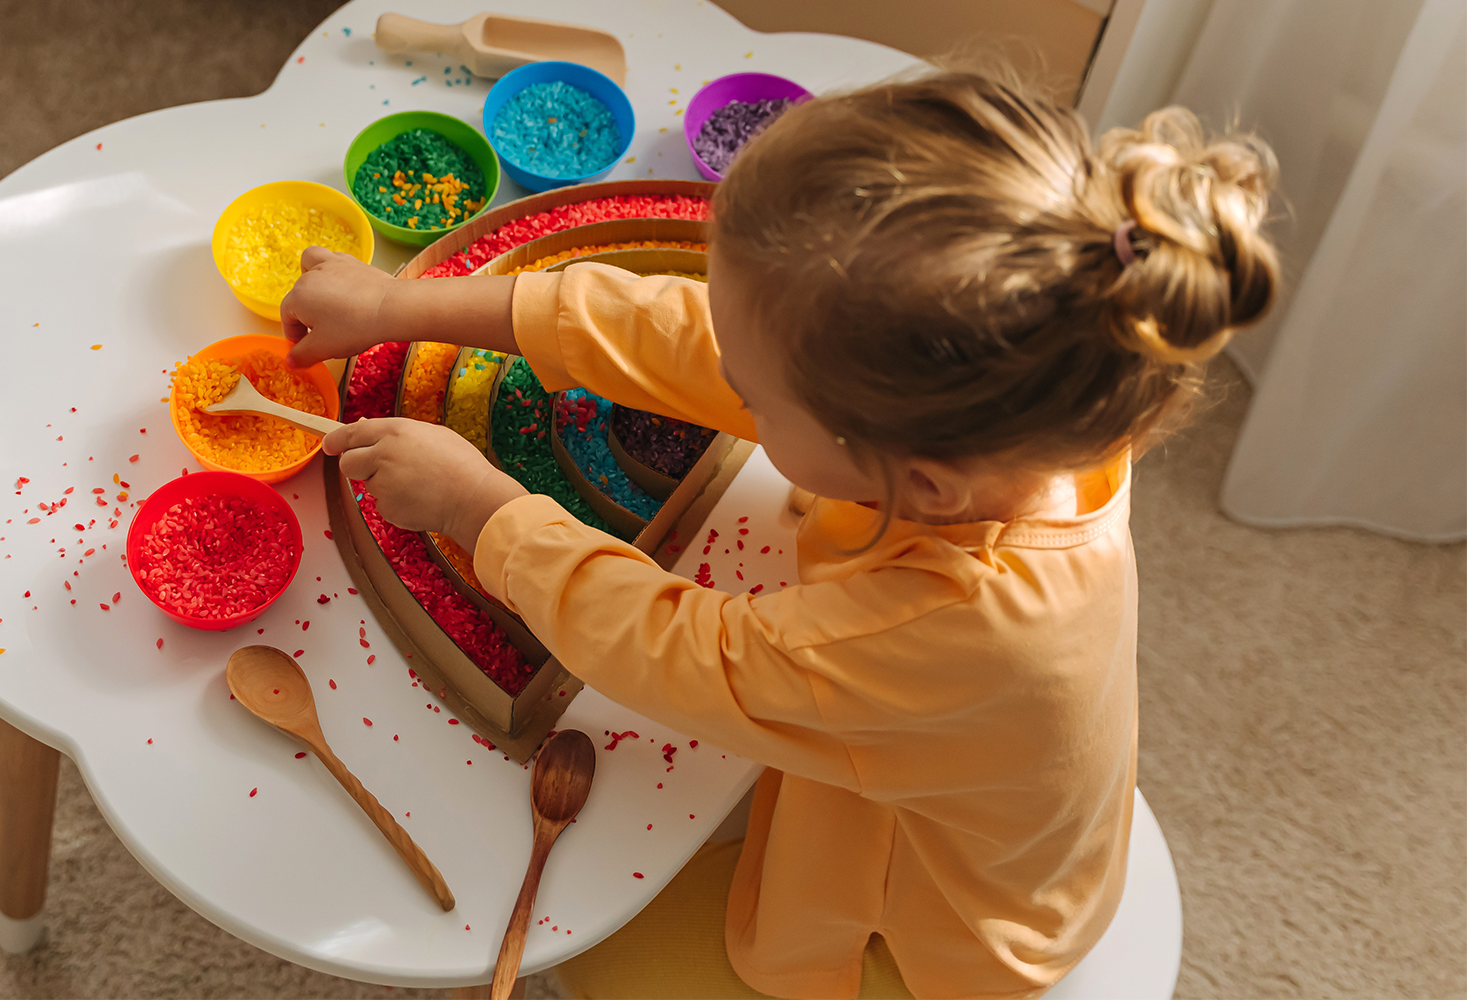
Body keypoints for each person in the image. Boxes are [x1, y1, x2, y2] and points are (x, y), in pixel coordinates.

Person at [280, 70, 1280, 999]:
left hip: (931, 932)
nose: (729, 374)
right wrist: (397, 305)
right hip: (980, 803)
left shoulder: (952, 629)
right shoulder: (1048, 407)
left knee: (601, 942)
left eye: (756, 393)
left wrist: (478, 509)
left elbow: (680, 652)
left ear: (912, 480)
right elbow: (691, 336)